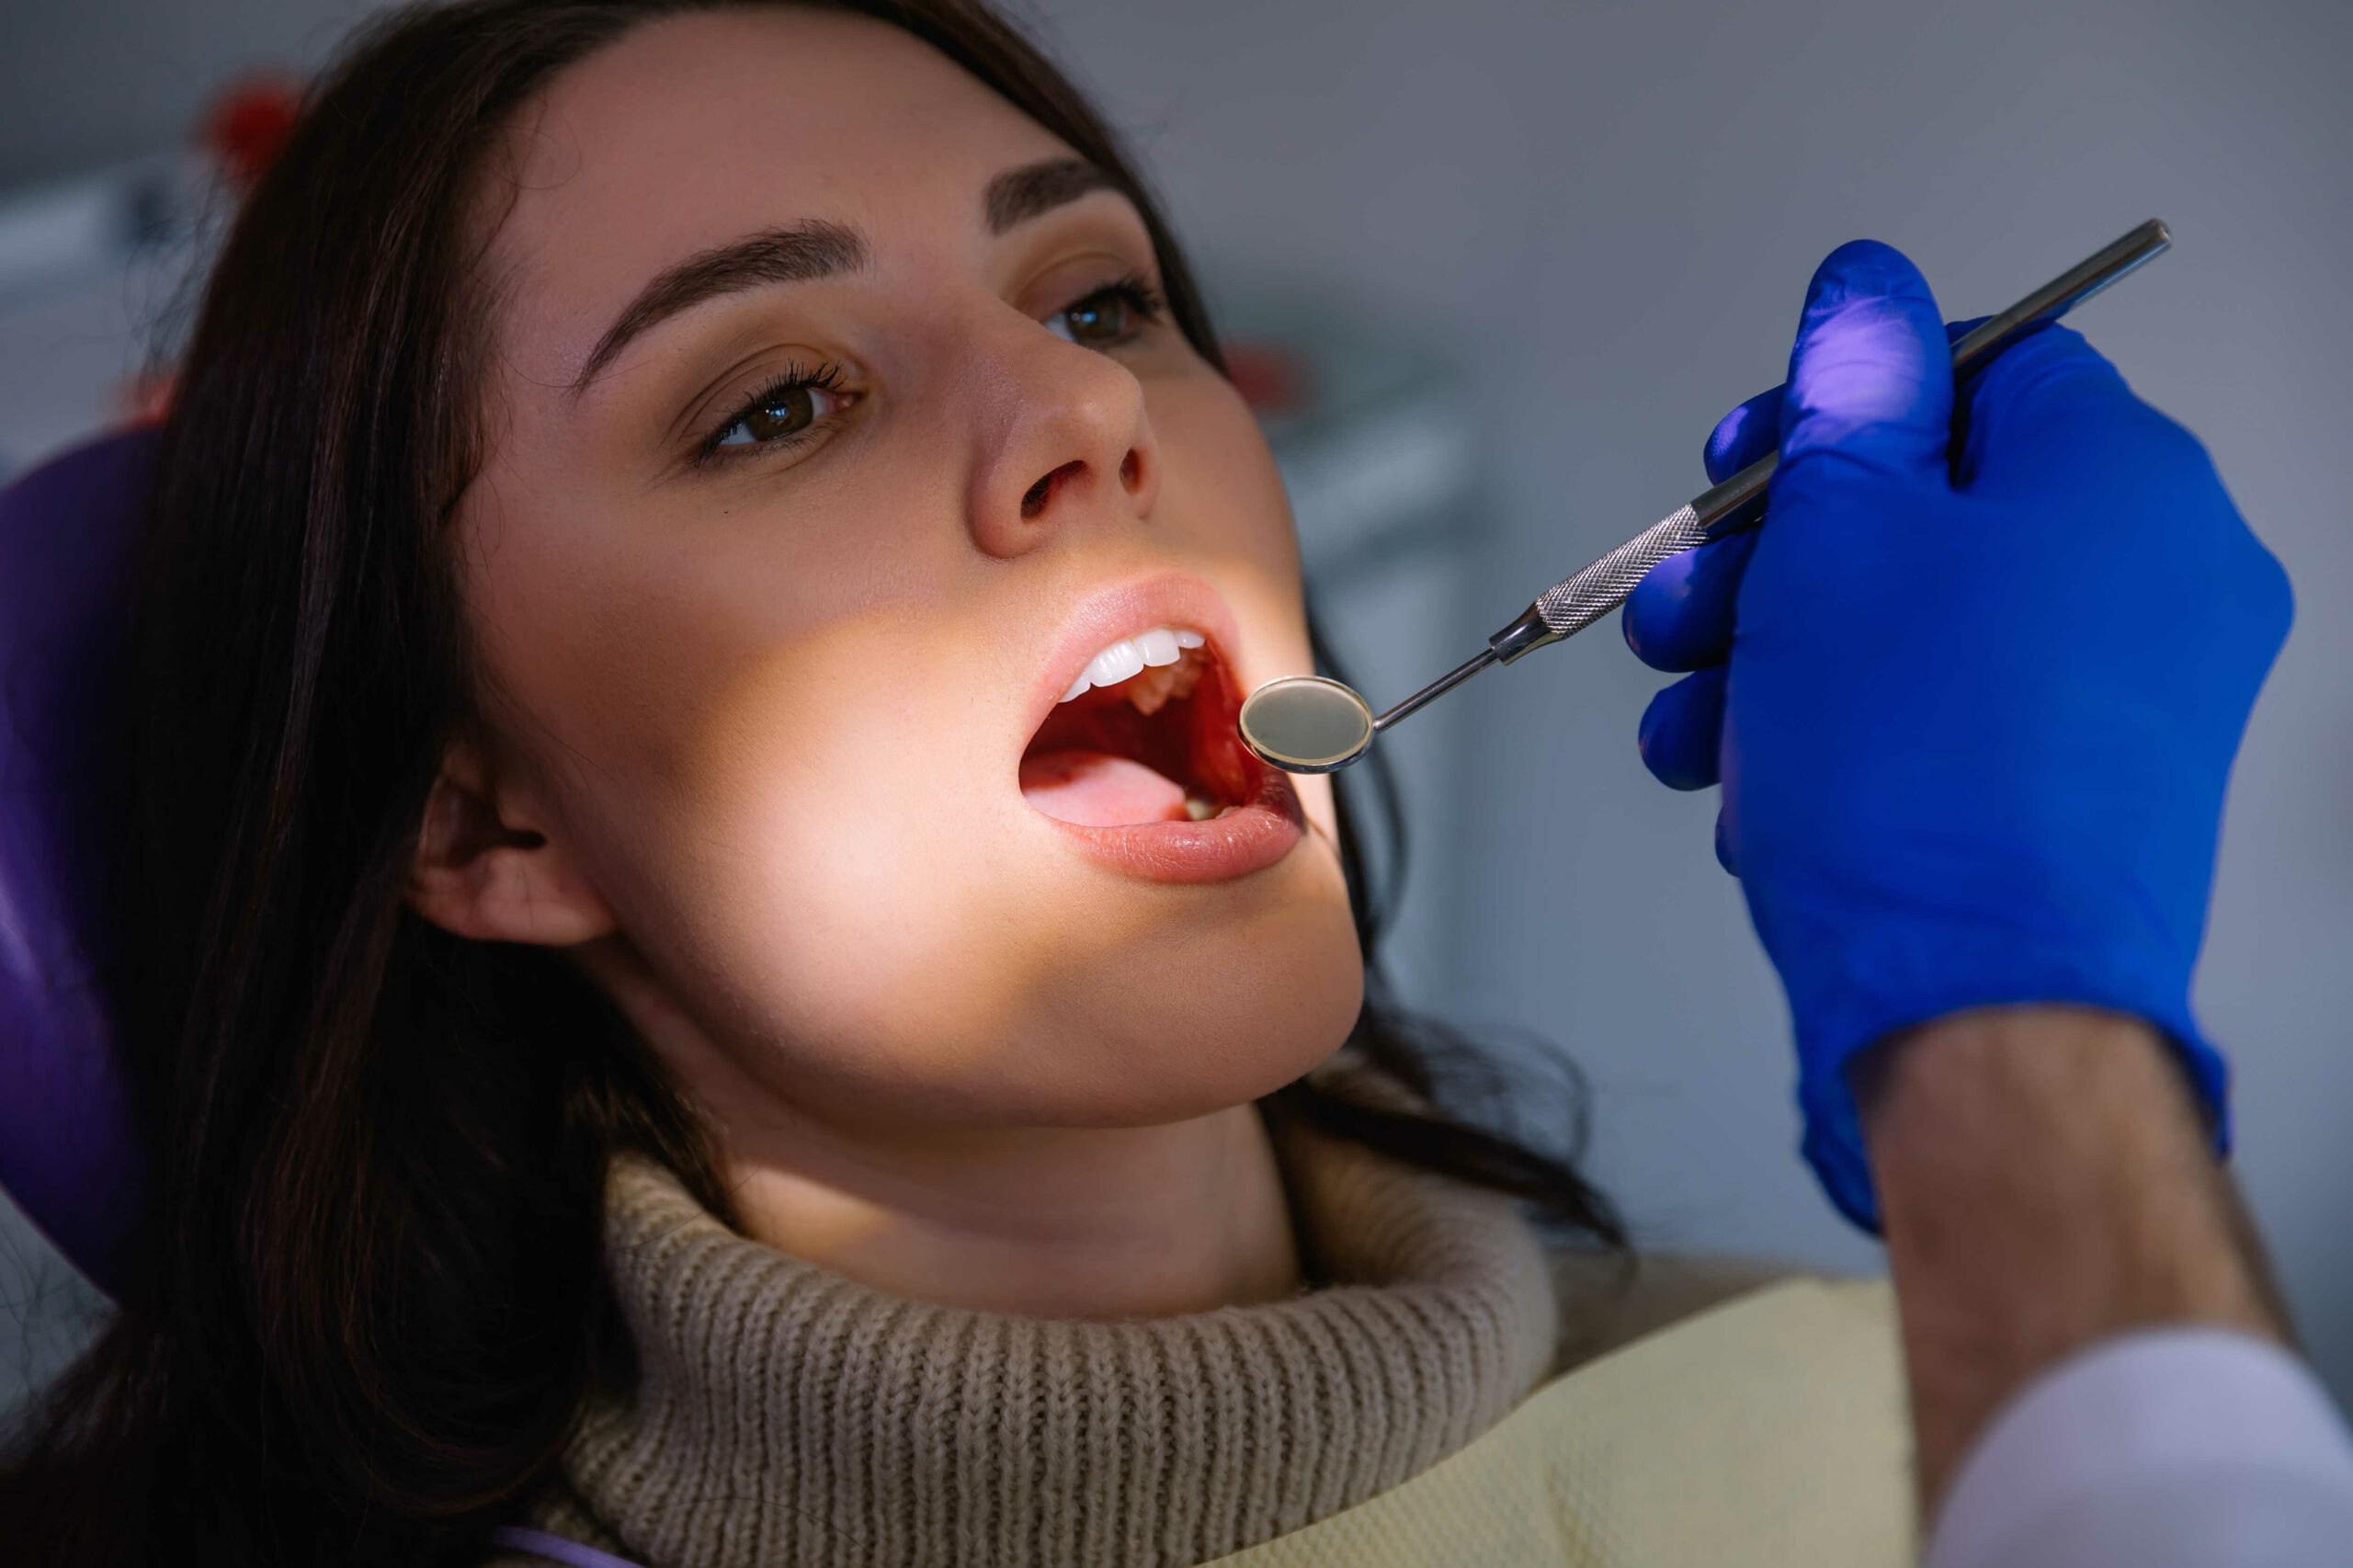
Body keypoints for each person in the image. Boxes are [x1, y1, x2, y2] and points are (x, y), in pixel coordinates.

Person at [0, 2, 2346, 1565]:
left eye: (1097, 295)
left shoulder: (1886, 1447)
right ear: (480, 821)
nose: (1083, 409)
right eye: (772, 400)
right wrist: (2023, 1058)